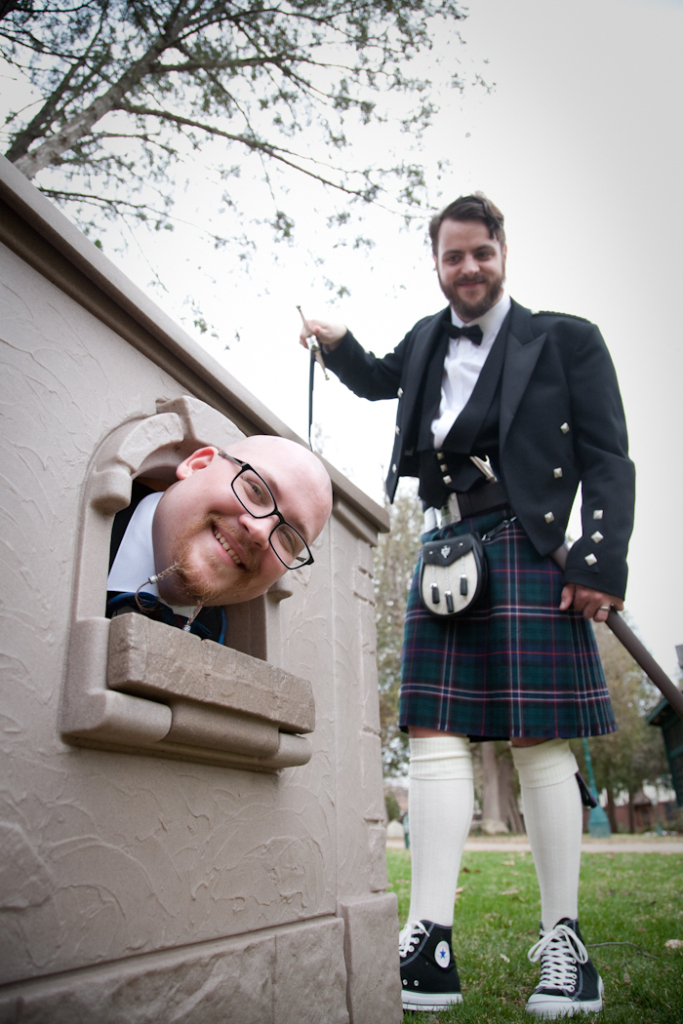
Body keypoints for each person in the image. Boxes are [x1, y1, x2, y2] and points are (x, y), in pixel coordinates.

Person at [298, 194, 634, 1018]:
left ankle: (565, 944)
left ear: (502, 252)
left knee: (537, 736)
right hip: (446, 546)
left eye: (480, 252)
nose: (468, 267)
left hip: (527, 543)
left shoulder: (565, 338)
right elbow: (378, 380)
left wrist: (600, 560)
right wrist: (336, 343)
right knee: (432, 732)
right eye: (453, 256)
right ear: (437, 264)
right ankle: (429, 942)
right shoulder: (425, 338)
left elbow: (607, 456)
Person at [107, 434, 333, 641]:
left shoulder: (223, 636)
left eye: (288, 537)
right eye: (255, 490)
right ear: (198, 466)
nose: (260, 532)